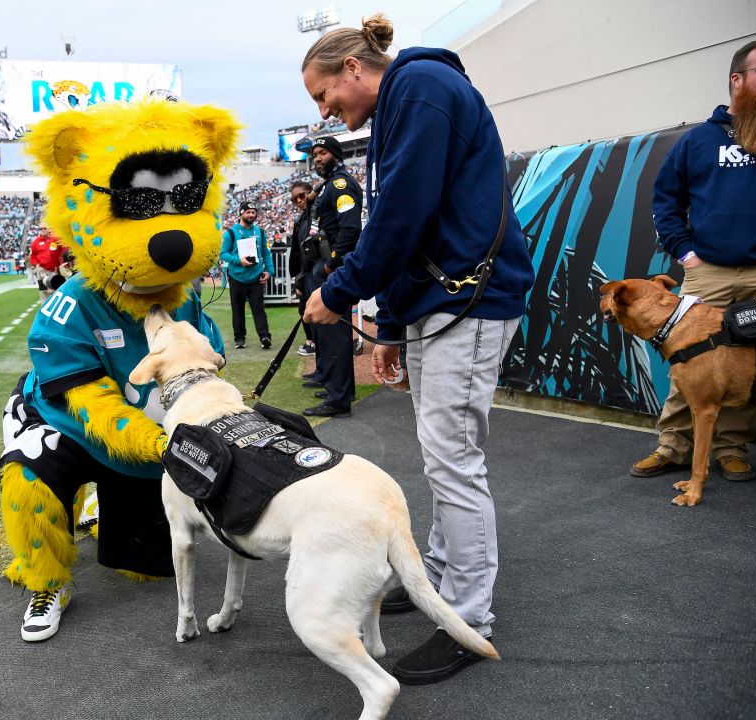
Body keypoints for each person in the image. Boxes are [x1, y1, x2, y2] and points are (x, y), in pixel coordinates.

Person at [300, 13, 534, 684]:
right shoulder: (405, 100)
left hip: (470, 301)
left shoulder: (422, 85)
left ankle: (467, 618)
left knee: (453, 463)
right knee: (442, 458)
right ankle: (437, 581)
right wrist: (395, 325)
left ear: (352, 67)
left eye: (324, 96)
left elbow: (403, 212)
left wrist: (343, 292)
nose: (325, 113)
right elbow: (409, 220)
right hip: (444, 302)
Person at [631, 38, 756, 483]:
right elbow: (665, 202)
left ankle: (731, 449)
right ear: (737, 80)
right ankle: (673, 447)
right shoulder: (698, 141)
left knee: (754, 359)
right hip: (710, 271)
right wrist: (687, 255)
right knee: (687, 357)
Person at [302, 136, 361, 418]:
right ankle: (335, 387)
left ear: (336, 155)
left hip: (332, 267)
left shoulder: (341, 184)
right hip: (322, 264)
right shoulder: (325, 186)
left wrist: (331, 265)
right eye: (314, 154)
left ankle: (339, 400)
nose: (317, 158)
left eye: (322, 153)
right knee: (325, 331)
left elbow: (349, 230)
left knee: (335, 332)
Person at [218, 201, 273, 350]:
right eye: (248, 212)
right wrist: (238, 261)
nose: (251, 215)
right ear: (241, 213)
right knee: (238, 310)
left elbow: (265, 252)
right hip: (237, 277)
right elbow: (223, 254)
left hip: (256, 276)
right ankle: (239, 338)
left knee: (258, 309)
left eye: (253, 212)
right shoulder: (231, 233)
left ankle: (265, 336)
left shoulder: (260, 232)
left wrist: (270, 271)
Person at [288, 180, 318, 357]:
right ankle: (314, 347)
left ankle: (314, 345)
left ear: (311, 193)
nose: (299, 200)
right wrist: (298, 278)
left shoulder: (317, 214)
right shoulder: (301, 219)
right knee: (305, 311)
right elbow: (298, 252)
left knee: (315, 316)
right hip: (305, 275)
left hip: (317, 275)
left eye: (302, 195)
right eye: (295, 199)